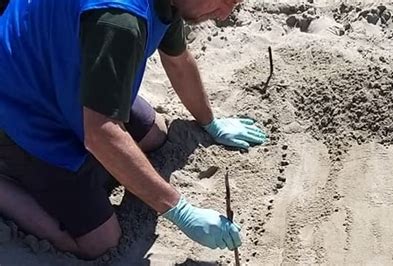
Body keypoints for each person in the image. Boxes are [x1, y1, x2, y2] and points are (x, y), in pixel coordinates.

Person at [0, 0, 267, 259]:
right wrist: (180, 210)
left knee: (156, 133)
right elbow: (100, 134)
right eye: (226, 1)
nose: (223, 15)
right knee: (101, 243)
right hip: (21, 110)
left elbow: (178, 61)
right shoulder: (120, 22)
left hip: (57, 70)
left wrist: (210, 122)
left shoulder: (172, 3)